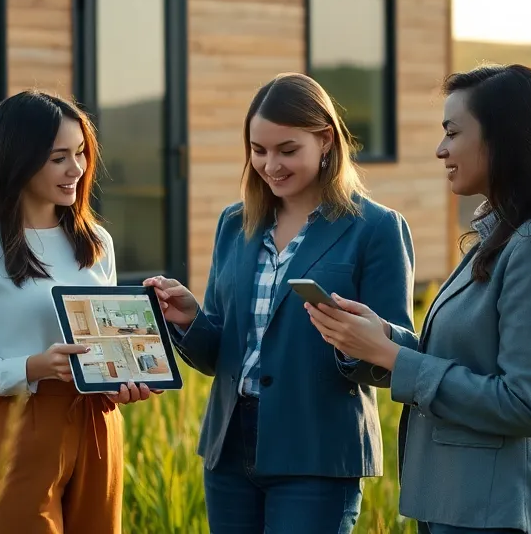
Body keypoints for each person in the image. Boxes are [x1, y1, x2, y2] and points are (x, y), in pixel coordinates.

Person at [304, 64, 531, 534]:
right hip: (460, 509)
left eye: (452, 132)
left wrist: (394, 357)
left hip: (502, 514)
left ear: (503, 139)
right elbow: (471, 362)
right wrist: (383, 339)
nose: (441, 150)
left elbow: (525, 403)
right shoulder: (502, 237)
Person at [144, 72, 417, 534]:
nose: (270, 165)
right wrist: (190, 319)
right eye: (259, 150)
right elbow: (221, 353)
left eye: (287, 150)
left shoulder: (376, 229)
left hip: (316, 455)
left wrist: (356, 341)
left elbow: (398, 358)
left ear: (325, 140)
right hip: (228, 450)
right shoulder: (235, 223)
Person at [0, 89, 156, 534]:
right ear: (18, 158)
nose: (76, 169)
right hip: (20, 427)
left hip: (98, 426)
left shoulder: (96, 242)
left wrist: (124, 382)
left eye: (80, 153)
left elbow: (104, 346)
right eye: (59, 157)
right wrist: (36, 367)